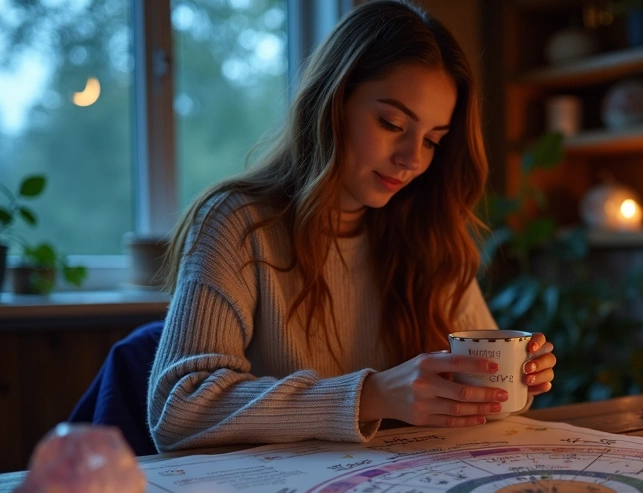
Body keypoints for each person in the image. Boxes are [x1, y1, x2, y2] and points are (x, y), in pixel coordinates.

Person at [147, 0, 555, 451]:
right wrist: (370, 397)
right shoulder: (240, 224)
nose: (413, 159)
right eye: (391, 123)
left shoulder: (426, 233)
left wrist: (513, 378)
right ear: (332, 102)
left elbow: (480, 399)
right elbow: (176, 410)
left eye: (433, 140)